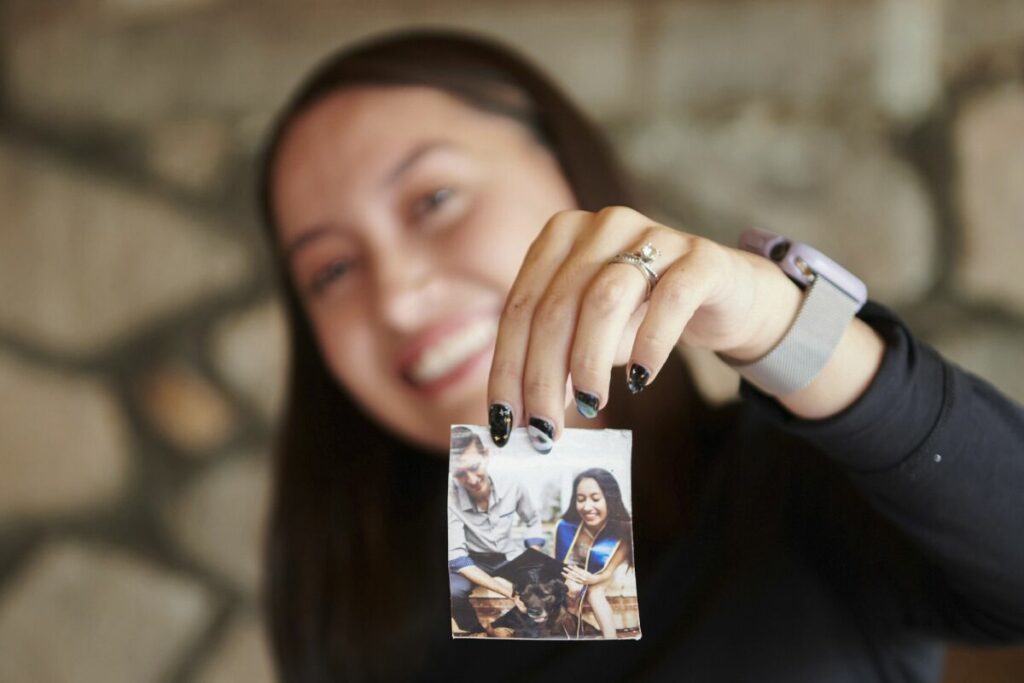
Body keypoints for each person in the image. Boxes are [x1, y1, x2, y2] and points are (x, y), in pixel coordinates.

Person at [256, 27, 1024, 682]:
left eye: (433, 199)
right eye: (330, 269)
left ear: (566, 166)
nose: (395, 294)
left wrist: (781, 323)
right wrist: (536, 465)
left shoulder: (794, 486)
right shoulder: (374, 613)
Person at [447, 426, 546, 634]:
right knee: (452, 590)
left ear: (486, 455)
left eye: (475, 467)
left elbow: (533, 519)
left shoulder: (513, 481)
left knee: (541, 579)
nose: (472, 480)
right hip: (472, 561)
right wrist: (505, 590)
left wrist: (533, 552)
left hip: (508, 554)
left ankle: (516, 631)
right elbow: (457, 558)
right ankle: (475, 632)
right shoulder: (450, 497)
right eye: (460, 474)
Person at [555, 468, 635, 639]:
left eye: (596, 499)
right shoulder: (567, 526)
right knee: (570, 588)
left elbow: (608, 570)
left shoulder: (623, 528)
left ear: (610, 499)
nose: (586, 507)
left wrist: (594, 579)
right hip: (580, 572)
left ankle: (610, 639)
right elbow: (561, 565)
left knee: (595, 591)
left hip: (608, 572)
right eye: (580, 499)